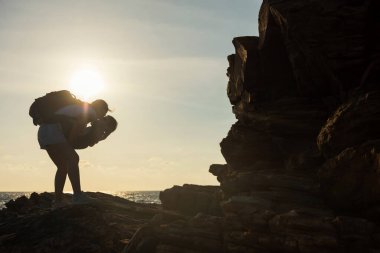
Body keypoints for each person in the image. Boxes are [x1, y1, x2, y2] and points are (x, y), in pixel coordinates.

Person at [37, 99, 109, 205]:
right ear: (100, 109)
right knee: (74, 158)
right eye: (103, 113)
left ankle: (57, 201)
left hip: (43, 132)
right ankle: (77, 196)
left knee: (62, 166)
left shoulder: (79, 107)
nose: (102, 117)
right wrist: (70, 143)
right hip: (53, 131)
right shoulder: (90, 112)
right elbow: (77, 126)